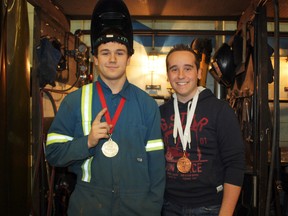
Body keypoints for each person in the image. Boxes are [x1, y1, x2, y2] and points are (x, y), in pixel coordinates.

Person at [45, 1, 165, 215]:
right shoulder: (74, 101)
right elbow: (53, 154)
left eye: (119, 53)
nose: (112, 59)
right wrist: (87, 142)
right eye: (105, 52)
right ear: (95, 59)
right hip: (88, 205)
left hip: (137, 208)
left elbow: (156, 167)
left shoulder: (147, 105)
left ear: (129, 58)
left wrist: (152, 208)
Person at [160, 44, 245, 216]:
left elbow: (235, 164)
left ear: (199, 73)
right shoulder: (160, 112)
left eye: (188, 69)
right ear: (168, 75)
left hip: (210, 208)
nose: (181, 75)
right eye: (174, 69)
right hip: (168, 206)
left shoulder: (221, 111)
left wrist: (226, 213)